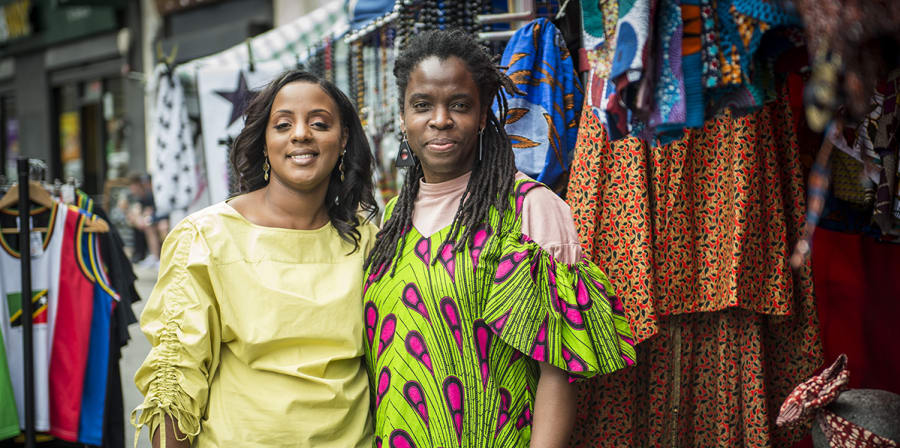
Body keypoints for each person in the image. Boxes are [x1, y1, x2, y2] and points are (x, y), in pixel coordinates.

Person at [361, 29, 637, 447]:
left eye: (459, 105)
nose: (440, 120)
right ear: (402, 117)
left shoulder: (529, 208)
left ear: (485, 113)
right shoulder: (394, 219)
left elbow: (556, 374)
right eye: (422, 106)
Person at [131, 70, 378, 447]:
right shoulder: (206, 238)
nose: (300, 134)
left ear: (343, 139)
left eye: (319, 123)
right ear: (264, 141)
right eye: (283, 124)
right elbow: (175, 383)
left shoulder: (368, 240)